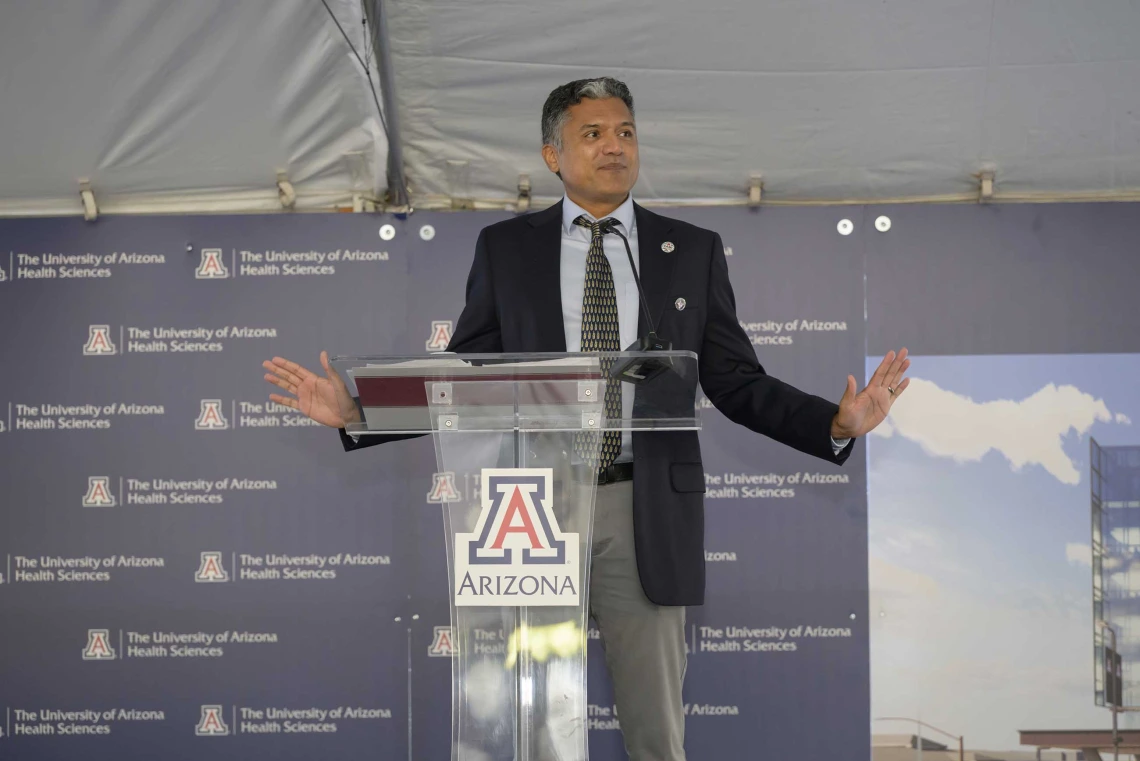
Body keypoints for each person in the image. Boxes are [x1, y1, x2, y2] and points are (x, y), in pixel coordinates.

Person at [263, 76, 909, 761]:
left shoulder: (689, 249)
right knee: (532, 727)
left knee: (656, 731)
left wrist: (834, 423)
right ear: (552, 154)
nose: (614, 147)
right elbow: (467, 377)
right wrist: (360, 413)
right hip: (535, 510)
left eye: (625, 132)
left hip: (646, 507)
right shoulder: (505, 249)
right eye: (593, 134)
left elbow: (734, 379)